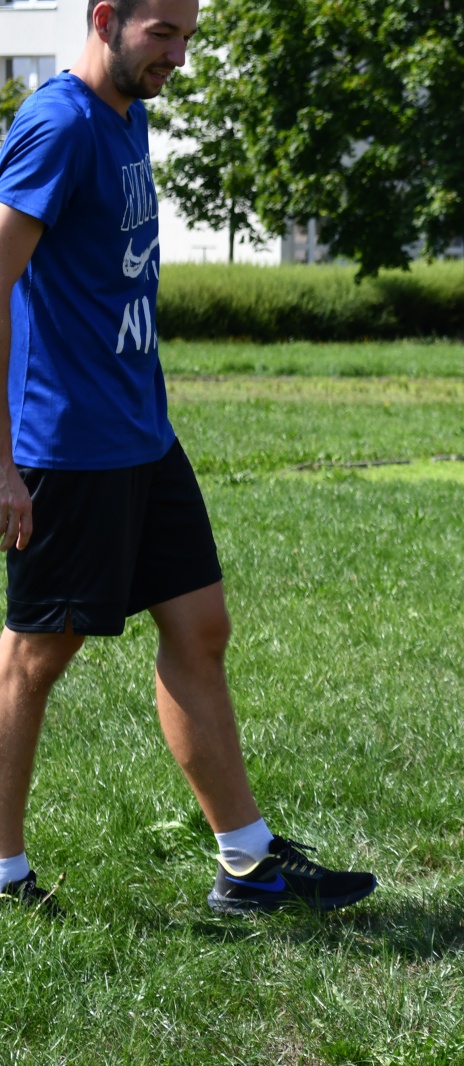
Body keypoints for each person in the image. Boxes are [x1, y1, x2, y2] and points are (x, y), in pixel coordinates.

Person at [0, 0, 376, 914]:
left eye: (188, 36)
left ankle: (246, 865)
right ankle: (3, 874)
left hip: (142, 433)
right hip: (67, 445)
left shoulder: (127, 115)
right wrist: (1, 464)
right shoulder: (58, 127)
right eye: (162, 34)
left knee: (200, 626)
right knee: (36, 658)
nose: (178, 54)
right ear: (105, 19)